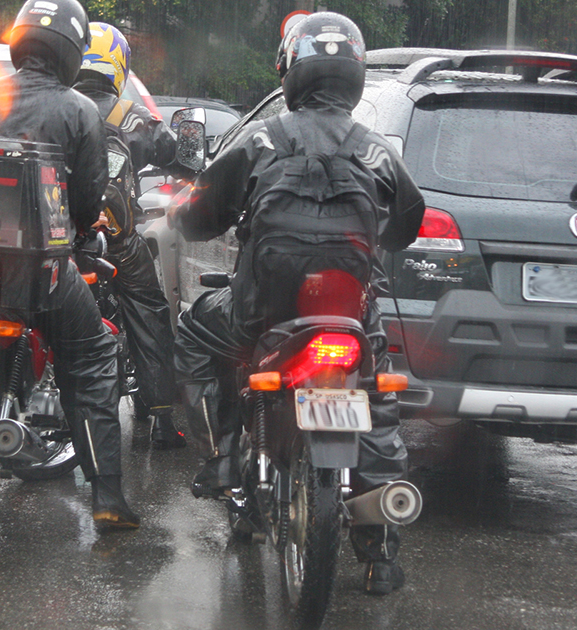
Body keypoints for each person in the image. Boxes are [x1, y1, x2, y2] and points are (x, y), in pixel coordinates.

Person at [168, 12, 426, 594]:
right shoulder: (377, 149)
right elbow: (406, 224)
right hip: (349, 315)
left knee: (191, 332)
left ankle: (220, 464)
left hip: (262, 312)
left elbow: (197, 219)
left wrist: (191, 213)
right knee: (375, 393)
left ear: (291, 72)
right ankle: (380, 551)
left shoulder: (261, 139)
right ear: (355, 77)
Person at [0, 0, 138, 529]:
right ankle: (107, 496)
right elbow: (85, 203)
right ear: (69, 51)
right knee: (93, 359)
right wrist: (80, 236)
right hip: (38, 268)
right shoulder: (80, 110)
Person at [73, 22, 187, 450]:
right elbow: (178, 155)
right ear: (118, 65)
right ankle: (160, 417)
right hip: (115, 239)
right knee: (150, 311)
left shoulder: (57, 104)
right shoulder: (131, 115)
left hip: (53, 236)